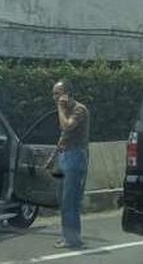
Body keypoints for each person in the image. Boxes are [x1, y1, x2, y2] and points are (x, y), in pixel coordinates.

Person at [50, 79, 90, 249]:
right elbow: (63, 138)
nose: (55, 97)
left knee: (70, 199)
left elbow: (67, 127)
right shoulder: (66, 110)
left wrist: (60, 108)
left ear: (67, 94)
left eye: (57, 93)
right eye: (54, 94)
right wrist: (53, 156)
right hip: (64, 156)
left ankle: (72, 238)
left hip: (75, 157)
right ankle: (69, 235)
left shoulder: (79, 110)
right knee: (63, 198)